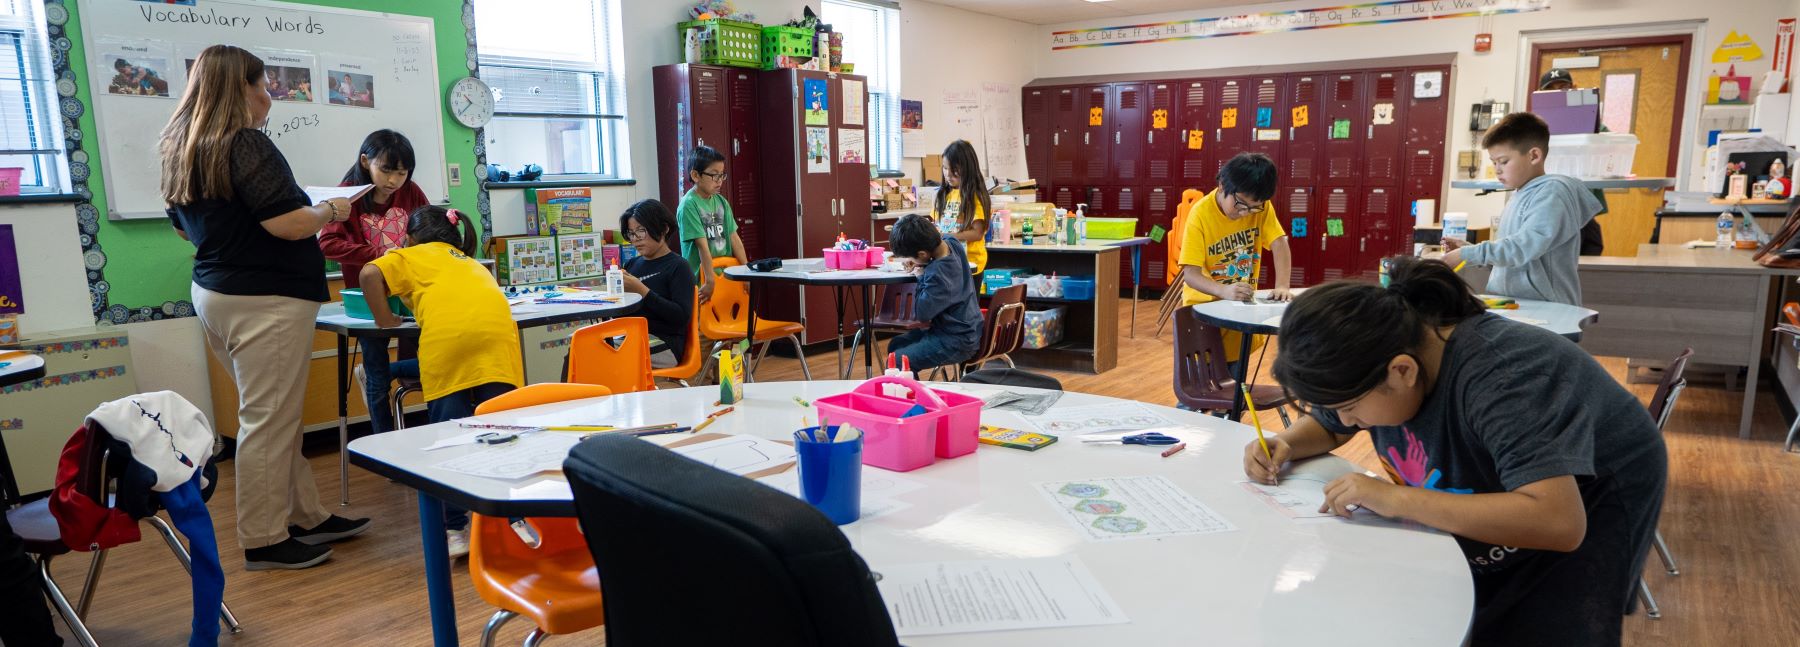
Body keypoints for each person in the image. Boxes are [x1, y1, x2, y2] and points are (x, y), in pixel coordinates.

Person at [1247, 257, 1665, 646]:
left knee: (1550, 623)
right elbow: (1329, 422)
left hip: (1594, 485)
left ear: (1402, 371)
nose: (1348, 421)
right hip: (1520, 484)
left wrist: (1397, 498)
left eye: (1352, 408)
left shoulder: (1503, 378)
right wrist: (1287, 443)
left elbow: (1558, 522)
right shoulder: (1383, 357)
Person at [161, 44, 368, 571]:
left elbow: (181, 226)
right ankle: (264, 537)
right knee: (268, 421)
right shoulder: (245, 144)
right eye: (263, 85)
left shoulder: (183, 146)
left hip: (217, 292)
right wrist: (332, 207)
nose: (268, 95)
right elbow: (288, 223)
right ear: (243, 88)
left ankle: (307, 513)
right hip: (265, 301)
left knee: (275, 418)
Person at [361, 205, 523, 557]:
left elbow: (368, 275)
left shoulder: (409, 254)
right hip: (498, 344)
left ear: (412, 237)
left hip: (448, 346)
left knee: (450, 439)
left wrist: (386, 321)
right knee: (502, 434)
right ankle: (514, 521)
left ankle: (455, 530)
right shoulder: (469, 261)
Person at [319, 129, 430, 434]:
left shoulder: (412, 193)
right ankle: (385, 443)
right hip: (368, 299)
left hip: (411, 292)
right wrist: (379, 252)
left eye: (402, 173)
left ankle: (437, 433)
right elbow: (327, 243)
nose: (393, 181)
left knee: (433, 361)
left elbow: (428, 228)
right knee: (378, 373)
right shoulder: (346, 197)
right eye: (386, 170)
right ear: (366, 161)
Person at [1443, 112, 1603, 306]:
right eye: (1494, 163)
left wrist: (1465, 254)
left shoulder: (1552, 192)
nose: (1497, 170)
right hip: (1517, 306)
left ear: (1534, 155)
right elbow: (1512, 255)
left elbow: (1524, 247)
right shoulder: (1520, 193)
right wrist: (1468, 250)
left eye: (1504, 161)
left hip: (1547, 311)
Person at [1175, 152, 1293, 364]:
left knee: (1236, 381)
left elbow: (1279, 242)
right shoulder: (1200, 214)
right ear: (1222, 186)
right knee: (1206, 383)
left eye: (1253, 207)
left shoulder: (1261, 207)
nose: (1245, 213)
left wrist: (1283, 285)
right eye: (1240, 204)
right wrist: (1223, 290)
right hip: (1203, 312)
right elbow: (1190, 274)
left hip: (1239, 307)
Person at [885, 214, 982, 372]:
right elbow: (934, 250)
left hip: (956, 341)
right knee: (896, 345)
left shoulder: (937, 275)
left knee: (897, 361)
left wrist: (920, 275)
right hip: (966, 330)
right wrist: (919, 261)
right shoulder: (952, 243)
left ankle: (913, 395)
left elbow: (923, 313)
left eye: (910, 257)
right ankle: (908, 392)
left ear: (923, 254)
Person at [1534, 67, 1606, 256]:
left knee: (1590, 251)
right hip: (1549, 203)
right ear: (1542, 94)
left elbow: (1607, 143)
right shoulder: (1535, 126)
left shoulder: (1590, 120)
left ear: (1574, 88)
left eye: (1564, 87)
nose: (1558, 93)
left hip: (1580, 204)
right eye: (1552, 90)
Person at [619, 199, 696, 369]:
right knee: (580, 345)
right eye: (631, 233)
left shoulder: (678, 266)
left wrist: (643, 291)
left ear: (663, 229)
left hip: (666, 343)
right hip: (631, 336)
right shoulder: (631, 265)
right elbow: (624, 316)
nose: (636, 239)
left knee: (603, 354)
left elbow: (681, 317)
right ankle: (579, 396)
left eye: (641, 231)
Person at [677, 145, 749, 303]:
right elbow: (702, 245)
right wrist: (710, 280)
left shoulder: (721, 202)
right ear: (696, 175)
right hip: (703, 280)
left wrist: (747, 271)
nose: (719, 181)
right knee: (702, 325)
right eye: (714, 175)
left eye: (722, 175)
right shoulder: (689, 205)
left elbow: (734, 238)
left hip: (725, 276)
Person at [932, 140, 991, 275]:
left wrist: (948, 236)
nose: (948, 174)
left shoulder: (974, 197)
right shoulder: (942, 194)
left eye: (955, 170)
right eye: (945, 168)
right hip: (947, 262)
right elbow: (937, 225)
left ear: (968, 168)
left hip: (969, 264)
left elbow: (977, 234)